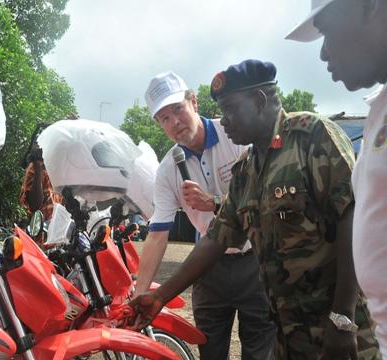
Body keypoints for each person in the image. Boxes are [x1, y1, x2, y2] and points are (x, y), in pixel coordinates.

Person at [130, 60, 381, 359]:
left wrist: (344, 319)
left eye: (231, 110)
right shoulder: (247, 170)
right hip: (288, 334)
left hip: (335, 326)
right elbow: (216, 239)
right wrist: (159, 295)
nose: (225, 120)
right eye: (163, 118)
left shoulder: (312, 137)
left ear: (259, 101)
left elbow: (351, 221)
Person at [135, 71, 276, 359]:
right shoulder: (167, 171)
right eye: (164, 118)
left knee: (260, 350)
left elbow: (262, 196)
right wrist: (140, 292)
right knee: (210, 350)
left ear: (194, 102)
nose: (174, 122)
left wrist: (212, 202)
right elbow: (158, 233)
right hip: (207, 267)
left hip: (255, 258)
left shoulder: (235, 135)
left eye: (177, 109)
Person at [286, 0, 387, 357]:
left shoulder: (316, 137)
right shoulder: (380, 106)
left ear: (370, 6)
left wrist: (343, 317)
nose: (324, 53)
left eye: (327, 30)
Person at [19, 141, 63, 243]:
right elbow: (34, 205)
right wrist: (38, 166)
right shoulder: (35, 167)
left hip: (60, 238)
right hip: (41, 239)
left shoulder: (60, 170)